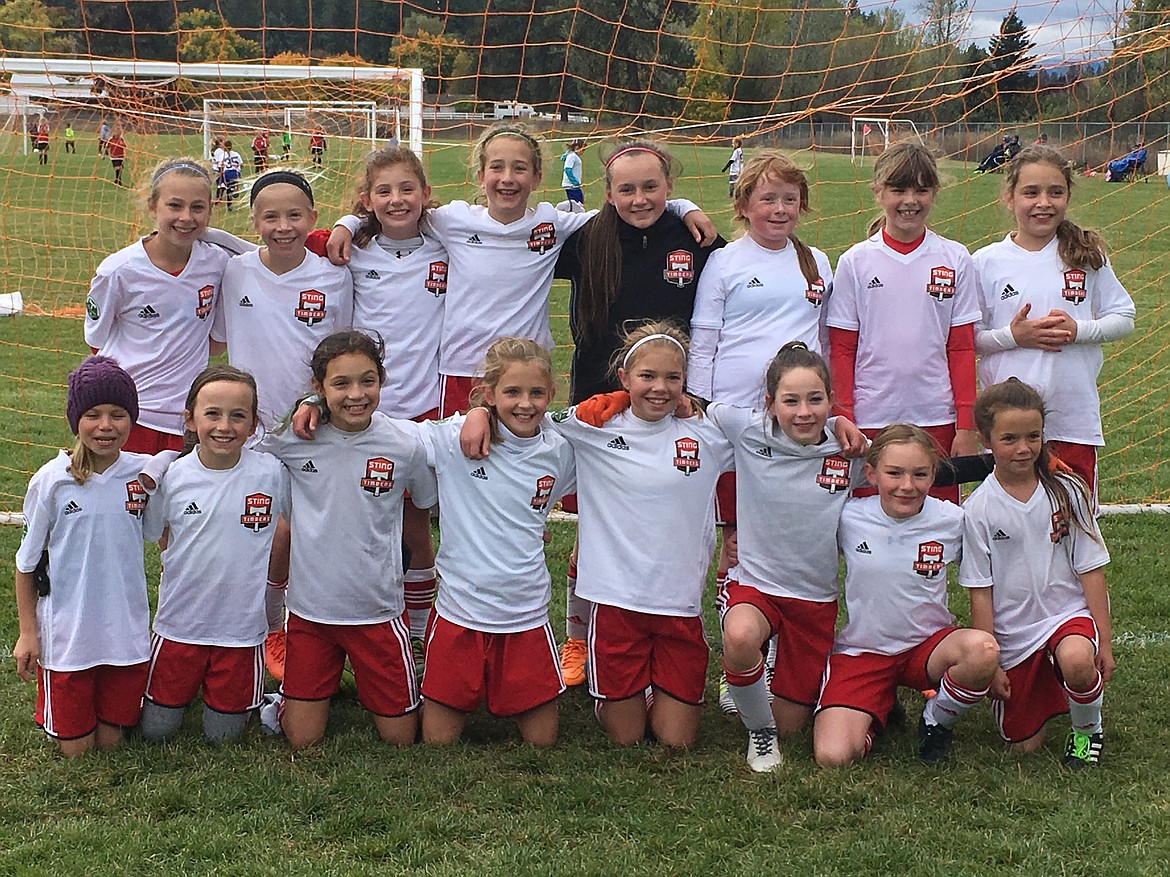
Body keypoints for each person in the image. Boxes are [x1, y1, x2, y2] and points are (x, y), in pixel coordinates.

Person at [464, 322, 734, 747]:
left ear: (686, 381)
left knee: (676, 742)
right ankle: (624, 685)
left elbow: (772, 441)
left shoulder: (708, 434)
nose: (659, 388)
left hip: (678, 604)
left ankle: (656, 687)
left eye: (672, 378)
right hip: (614, 603)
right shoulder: (591, 424)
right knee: (626, 739)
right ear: (625, 378)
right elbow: (525, 414)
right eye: (647, 376)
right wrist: (479, 411)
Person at [327, 122, 713, 418]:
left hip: (528, 369)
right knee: (461, 470)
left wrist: (681, 205)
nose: (507, 178)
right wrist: (349, 222)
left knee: (523, 471)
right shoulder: (452, 221)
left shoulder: (554, 223)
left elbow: (626, 206)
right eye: (497, 167)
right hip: (463, 369)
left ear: (537, 177)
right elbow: (398, 214)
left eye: (519, 168)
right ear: (480, 176)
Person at [553, 137, 725, 687]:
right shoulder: (585, 239)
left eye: (652, 187)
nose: (640, 198)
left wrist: (687, 210)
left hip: (670, 400)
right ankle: (578, 636)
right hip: (601, 404)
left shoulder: (693, 237)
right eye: (626, 189)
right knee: (594, 529)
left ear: (669, 188)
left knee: (660, 521)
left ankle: (661, 624)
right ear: (608, 193)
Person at [293, 146, 445, 652]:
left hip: (423, 408)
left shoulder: (449, 244)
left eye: (407, 189)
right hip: (358, 404)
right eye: (384, 191)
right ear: (367, 199)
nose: (397, 200)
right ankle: (303, 621)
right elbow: (294, 237)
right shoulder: (350, 251)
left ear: (426, 195)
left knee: (414, 523)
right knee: (340, 517)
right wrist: (345, 223)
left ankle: (420, 631)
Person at [258, 331, 438, 749]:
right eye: (340, 384)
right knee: (301, 739)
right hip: (309, 616)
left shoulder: (403, 444)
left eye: (367, 380)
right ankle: (284, 699)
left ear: (381, 381)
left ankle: (403, 674)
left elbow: (425, 503)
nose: (356, 394)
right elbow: (251, 444)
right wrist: (303, 408)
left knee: (401, 737)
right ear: (319, 388)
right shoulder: (292, 439)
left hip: (377, 613)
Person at [416, 338, 575, 746]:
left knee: (543, 742)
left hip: (525, 613)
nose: (525, 403)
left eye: (536, 393)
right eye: (512, 392)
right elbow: (385, 433)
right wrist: (473, 414)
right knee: (437, 742)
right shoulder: (455, 438)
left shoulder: (562, 449)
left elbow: (618, 421)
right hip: (461, 612)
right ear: (489, 393)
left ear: (551, 394)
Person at [713, 343, 864, 771]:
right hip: (756, 584)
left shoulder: (848, 448)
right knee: (741, 637)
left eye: (816, 400)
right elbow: (698, 407)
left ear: (831, 401)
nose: (803, 412)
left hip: (814, 598)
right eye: (790, 401)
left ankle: (771, 684)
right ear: (769, 404)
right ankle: (760, 736)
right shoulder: (746, 428)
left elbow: (907, 464)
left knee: (791, 725)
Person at [813, 424, 1000, 767]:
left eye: (919, 474)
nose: (907, 486)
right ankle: (877, 709)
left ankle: (936, 717)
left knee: (983, 652)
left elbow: (988, 577)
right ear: (871, 473)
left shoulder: (953, 520)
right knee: (833, 757)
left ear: (933, 476)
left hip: (928, 648)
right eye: (894, 473)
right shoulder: (848, 516)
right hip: (864, 651)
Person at [961, 379, 1113, 768]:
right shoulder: (977, 508)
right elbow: (981, 589)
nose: (1023, 448)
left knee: (1079, 661)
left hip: (1066, 614)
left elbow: (1091, 568)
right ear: (986, 440)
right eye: (1009, 438)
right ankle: (1050, 681)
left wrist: (1105, 643)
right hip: (1015, 631)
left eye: (1033, 436)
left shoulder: (1067, 491)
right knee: (1023, 746)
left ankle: (1087, 731)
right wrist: (990, 658)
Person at [971, 145, 1135, 499]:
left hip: (1073, 420)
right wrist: (1012, 336)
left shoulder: (1087, 256)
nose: (1043, 202)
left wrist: (1079, 330)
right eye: (1031, 192)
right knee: (1011, 524)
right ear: (1009, 198)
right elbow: (967, 339)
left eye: (1055, 192)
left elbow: (1124, 318)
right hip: (1007, 427)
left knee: (1071, 523)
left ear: (1068, 196)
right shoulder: (985, 262)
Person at [139, 366, 289, 743]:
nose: (225, 425)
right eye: (213, 414)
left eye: (238, 415)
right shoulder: (172, 477)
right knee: (156, 732)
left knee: (224, 737)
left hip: (240, 630)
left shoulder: (272, 473)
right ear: (190, 418)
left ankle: (273, 702)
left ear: (254, 424)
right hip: (179, 625)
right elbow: (159, 535)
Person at [826, 141, 980, 503]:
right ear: (878, 192)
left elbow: (961, 347)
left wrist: (966, 424)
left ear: (935, 193)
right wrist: (844, 415)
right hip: (871, 416)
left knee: (936, 527)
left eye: (921, 190)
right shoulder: (855, 262)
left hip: (936, 415)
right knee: (872, 523)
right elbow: (842, 348)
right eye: (898, 189)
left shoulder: (955, 258)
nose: (910, 200)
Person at [13, 356, 151, 757]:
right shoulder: (52, 481)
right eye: (93, 414)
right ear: (75, 420)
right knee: (79, 751)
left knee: (111, 742)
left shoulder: (142, 475)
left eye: (118, 414)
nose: (105, 426)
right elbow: (26, 564)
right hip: (69, 635)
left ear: (132, 419)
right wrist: (28, 632)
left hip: (125, 631)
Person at [84, 157, 245, 454]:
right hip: (129, 416)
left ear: (211, 210)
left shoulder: (219, 264)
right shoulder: (118, 271)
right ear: (152, 206)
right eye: (174, 205)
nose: (186, 217)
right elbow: (97, 343)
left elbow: (216, 344)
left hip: (188, 419)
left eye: (197, 207)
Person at [560, 138, 585, 206]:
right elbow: (567, 170)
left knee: (577, 203)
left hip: (572, 185)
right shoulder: (572, 156)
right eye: (583, 149)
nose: (583, 151)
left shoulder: (572, 156)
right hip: (572, 186)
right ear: (577, 148)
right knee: (578, 204)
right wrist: (575, 182)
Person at [222, 140, 243, 211]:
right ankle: (234, 190)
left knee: (228, 189)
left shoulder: (222, 155)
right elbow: (241, 164)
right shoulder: (236, 154)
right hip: (234, 173)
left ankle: (229, 204)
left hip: (226, 173)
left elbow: (219, 165)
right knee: (233, 186)